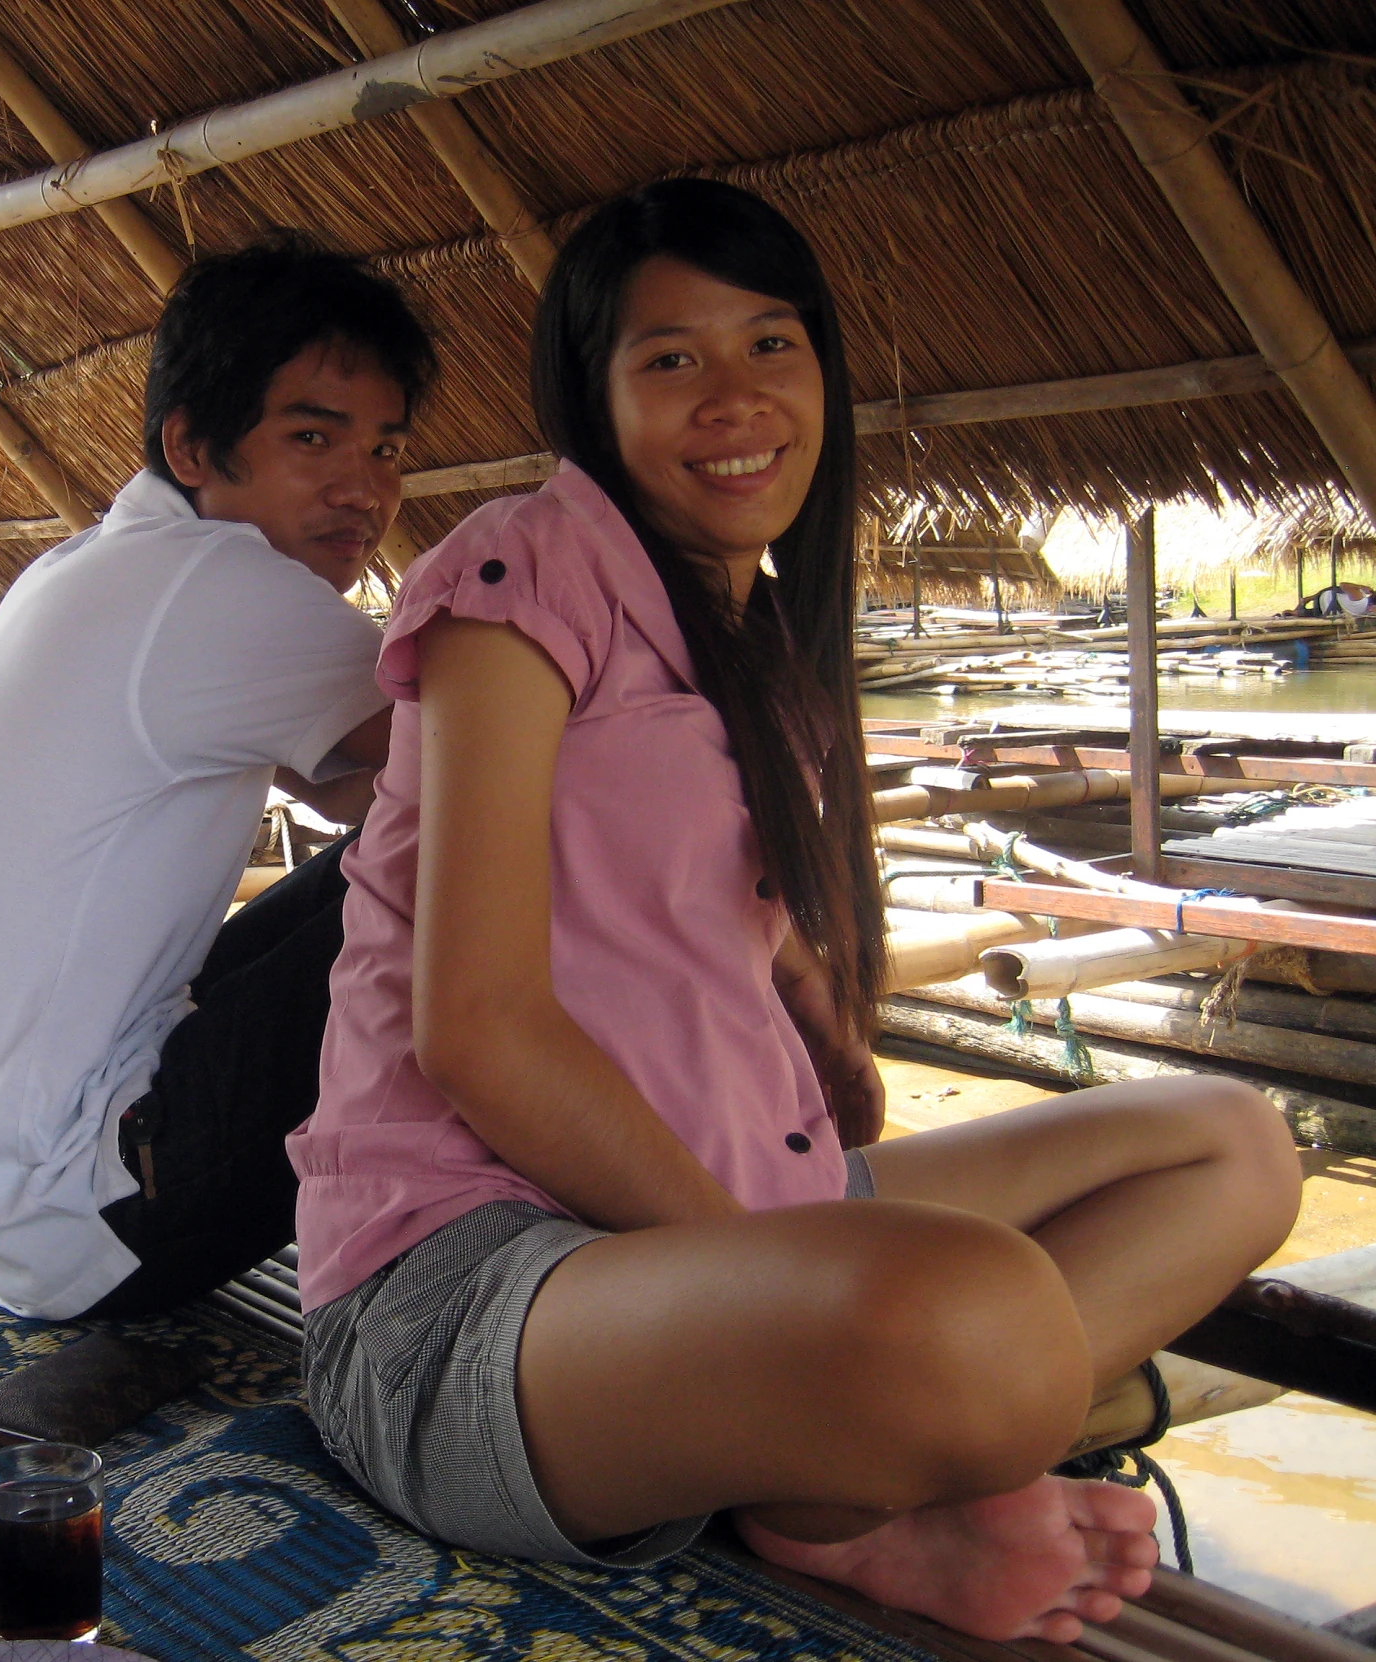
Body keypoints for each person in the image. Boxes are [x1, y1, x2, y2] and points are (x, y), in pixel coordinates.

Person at [289, 180, 1301, 1645]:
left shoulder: (760, 641)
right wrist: (776, 1270)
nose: (736, 397)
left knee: (1234, 1145)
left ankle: (850, 1465)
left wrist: (815, 1027)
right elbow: (480, 1031)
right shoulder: (524, 576)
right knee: (977, 1326)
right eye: (671, 358)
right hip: (472, 1277)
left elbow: (701, 933)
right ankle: (876, 1483)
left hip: (736, 1225)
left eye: (772, 344)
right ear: (596, 393)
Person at [0, 237, 435, 1320]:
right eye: (312, 438)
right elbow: (499, 773)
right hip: (101, 1207)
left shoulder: (102, 566)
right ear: (191, 444)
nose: (361, 490)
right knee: (498, 869)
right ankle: (529, 1280)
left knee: (426, 855)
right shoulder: (219, 583)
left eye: (383, 449)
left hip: (12, 1203)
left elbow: (354, 789)